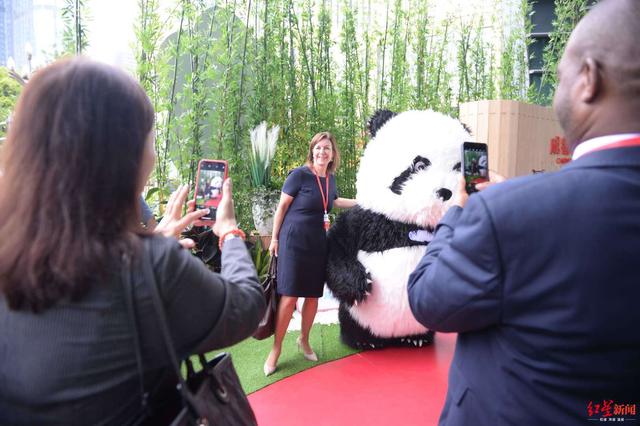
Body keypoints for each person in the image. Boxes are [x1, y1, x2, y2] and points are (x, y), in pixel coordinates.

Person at [407, 0, 640, 424]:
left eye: (559, 77)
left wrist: (460, 214)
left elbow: (427, 299)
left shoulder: (505, 215)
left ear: (589, 79)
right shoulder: (512, 209)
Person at [0, 58, 265, 425]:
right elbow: (247, 308)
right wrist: (229, 233)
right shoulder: (152, 266)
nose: (152, 156)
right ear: (120, 160)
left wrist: (149, 243)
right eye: (148, 142)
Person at [264, 132, 356, 376]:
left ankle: (304, 340)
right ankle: (276, 349)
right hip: (293, 241)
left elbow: (333, 202)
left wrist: (361, 202)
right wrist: (274, 239)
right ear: (312, 151)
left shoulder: (330, 179)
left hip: (317, 242)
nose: (322, 152)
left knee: (313, 296)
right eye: (318, 148)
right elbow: (281, 207)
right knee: (290, 296)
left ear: (333, 154)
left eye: (327, 148)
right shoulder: (299, 175)